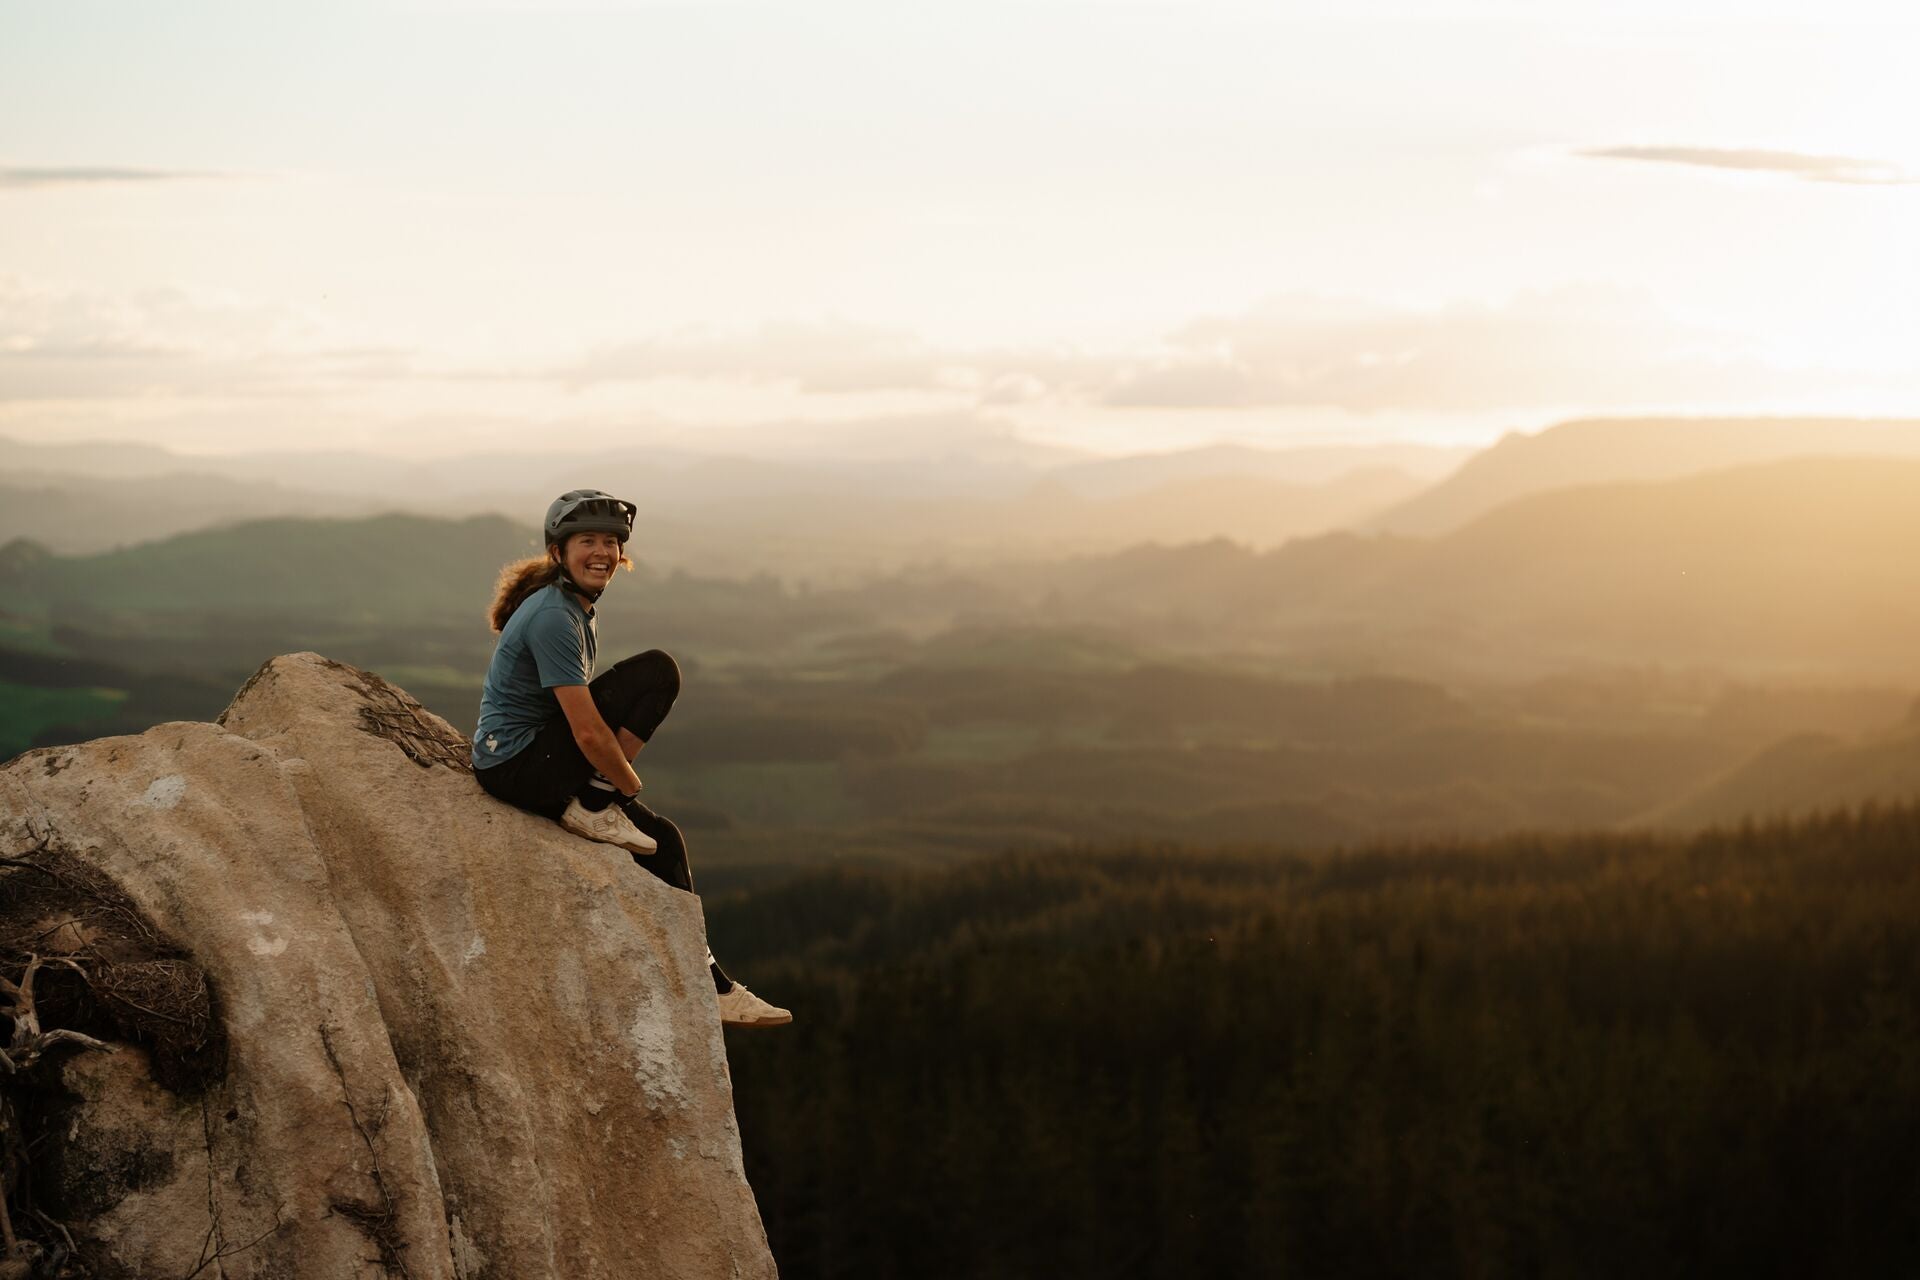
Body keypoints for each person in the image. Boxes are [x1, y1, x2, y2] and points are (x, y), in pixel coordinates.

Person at [471, 489, 791, 1028]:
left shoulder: (571, 606)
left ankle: (710, 983)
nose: (602, 552)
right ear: (558, 552)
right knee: (657, 672)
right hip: (516, 766)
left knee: (663, 841)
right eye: (587, 541)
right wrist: (623, 786)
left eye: (611, 543)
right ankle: (595, 803)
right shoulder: (553, 615)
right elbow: (590, 733)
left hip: (529, 758)